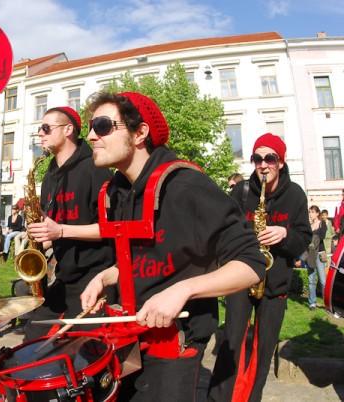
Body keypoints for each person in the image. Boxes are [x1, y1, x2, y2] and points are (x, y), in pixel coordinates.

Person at [79, 91, 266, 402]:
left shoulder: (187, 186)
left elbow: (251, 264)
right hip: (127, 335)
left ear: (140, 133)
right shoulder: (118, 190)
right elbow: (149, 256)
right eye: (90, 127)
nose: (91, 136)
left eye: (102, 126)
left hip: (174, 341)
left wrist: (183, 290)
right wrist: (106, 276)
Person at [209, 133, 312, 402]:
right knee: (232, 342)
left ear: (281, 161)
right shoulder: (240, 191)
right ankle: (220, 398)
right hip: (241, 280)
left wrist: (284, 235)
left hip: (274, 283)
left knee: (263, 349)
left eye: (270, 158)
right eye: (257, 158)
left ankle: (250, 398)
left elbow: (304, 238)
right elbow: (223, 230)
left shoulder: (296, 195)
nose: (263, 165)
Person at [24, 105, 115, 340]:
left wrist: (60, 230)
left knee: (86, 351)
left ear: (68, 130)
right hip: (64, 277)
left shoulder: (96, 168)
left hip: (96, 276)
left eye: (46, 128)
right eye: (39, 128)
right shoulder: (49, 175)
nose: (40, 133)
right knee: (32, 340)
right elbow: (52, 228)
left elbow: (112, 229)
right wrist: (38, 239)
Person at [307, 205, 327, 310]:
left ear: (317, 213)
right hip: (310, 255)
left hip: (319, 254)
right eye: (310, 212)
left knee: (323, 281)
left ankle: (327, 303)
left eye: (313, 212)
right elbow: (305, 238)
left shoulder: (322, 224)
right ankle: (312, 303)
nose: (310, 214)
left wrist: (312, 236)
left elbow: (322, 235)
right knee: (311, 280)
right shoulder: (308, 225)